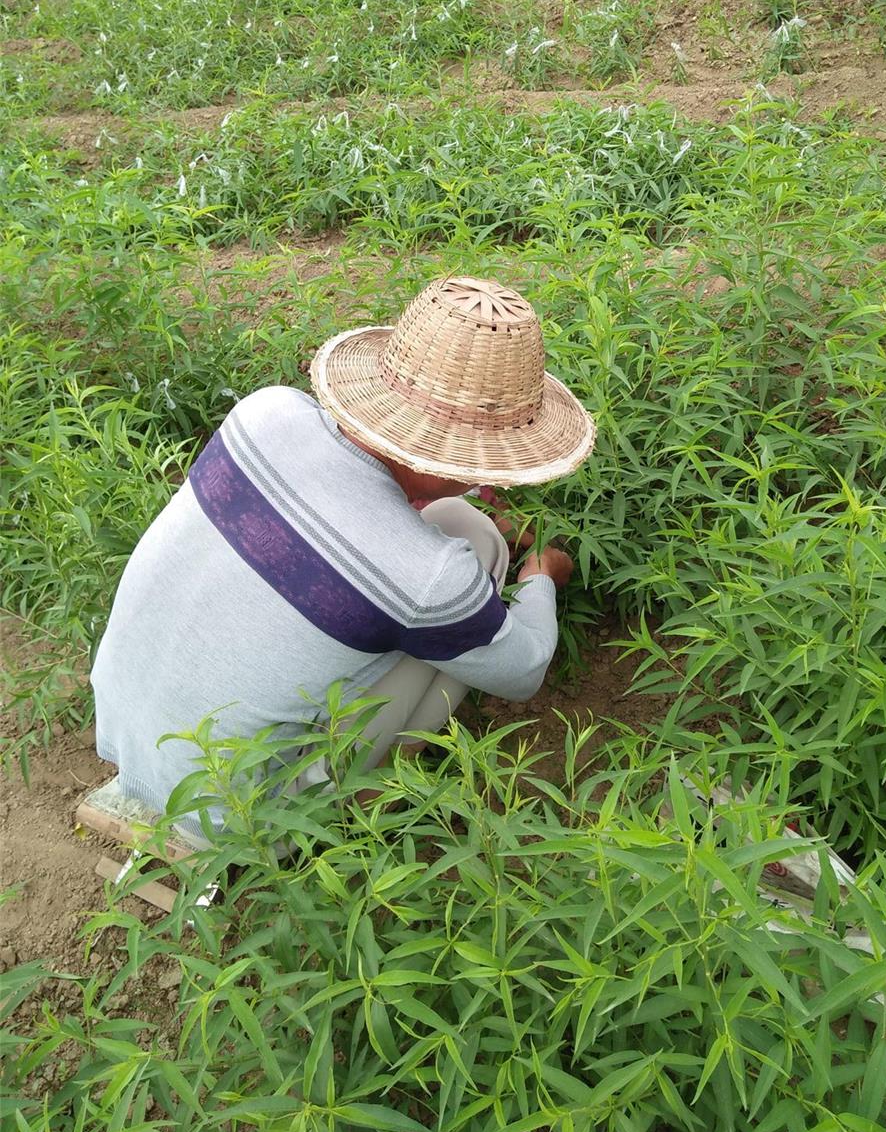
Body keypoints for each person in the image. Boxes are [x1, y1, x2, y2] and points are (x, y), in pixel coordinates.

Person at [92, 277, 595, 837]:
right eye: (488, 463)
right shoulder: (432, 578)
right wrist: (541, 574)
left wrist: (440, 495)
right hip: (239, 818)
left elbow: (351, 502)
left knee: (452, 537)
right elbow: (523, 670)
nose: (487, 476)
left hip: (120, 723)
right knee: (475, 560)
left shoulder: (266, 413)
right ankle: (358, 798)